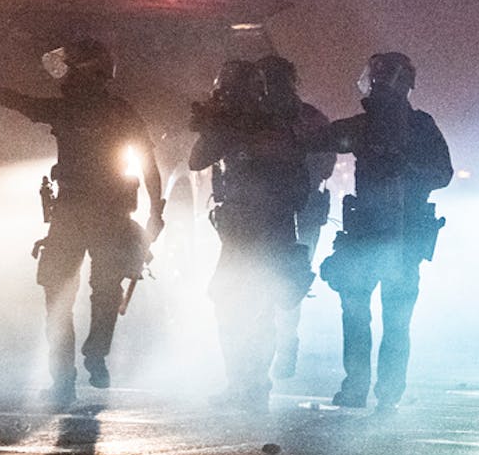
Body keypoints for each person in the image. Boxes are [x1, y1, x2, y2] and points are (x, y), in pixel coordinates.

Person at [0, 38, 164, 408]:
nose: (63, 76)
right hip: (106, 215)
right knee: (103, 291)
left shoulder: (71, 110)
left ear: (86, 72)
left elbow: (23, 104)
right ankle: (93, 357)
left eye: (70, 68)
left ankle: (66, 378)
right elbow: (148, 162)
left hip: (76, 215)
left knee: (60, 296)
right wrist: (154, 213)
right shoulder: (118, 111)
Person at [315, 53, 452, 412]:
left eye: (382, 81)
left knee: (392, 318)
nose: (377, 87)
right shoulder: (366, 125)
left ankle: (386, 391)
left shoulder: (420, 127)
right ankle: (360, 386)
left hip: (403, 236)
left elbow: (443, 172)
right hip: (366, 235)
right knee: (358, 311)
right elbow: (326, 138)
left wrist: (406, 166)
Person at [190, 60, 317, 413]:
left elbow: (285, 168)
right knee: (228, 305)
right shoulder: (232, 125)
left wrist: (229, 128)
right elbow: (197, 160)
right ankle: (240, 383)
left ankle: (255, 385)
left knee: (259, 309)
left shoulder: (272, 124)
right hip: (238, 232)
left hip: (269, 228)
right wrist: (216, 126)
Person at [255, 55, 336, 381]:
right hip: (292, 211)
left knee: (280, 280)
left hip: (286, 211)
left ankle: (280, 347)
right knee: (288, 279)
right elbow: (326, 163)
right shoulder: (310, 118)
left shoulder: (264, 118)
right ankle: (281, 347)